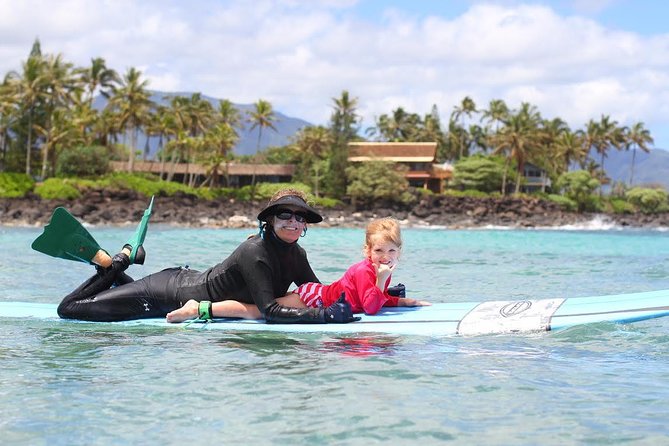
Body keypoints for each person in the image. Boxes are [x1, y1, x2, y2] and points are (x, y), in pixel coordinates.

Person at [57, 189, 358, 324]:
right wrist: (324, 316)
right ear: (270, 220)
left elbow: (317, 293)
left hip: (184, 279)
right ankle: (119, 260)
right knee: (69, 309)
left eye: (300, 217)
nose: (293, 222)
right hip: (164, 294)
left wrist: (375, 292)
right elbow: (268, 311)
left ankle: (116, 267)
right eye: (285, 214)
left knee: (117, 294)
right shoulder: (254, 251)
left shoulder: (297, 253)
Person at [166, 217, 429, 322]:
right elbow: (371, 306)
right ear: (367, 251)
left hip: (323, 295)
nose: (385, 257)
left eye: (391, 251)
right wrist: (383, 283)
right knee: (258, 311)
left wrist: (405, 301)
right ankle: (198, 308)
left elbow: (372, 299)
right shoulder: (365, 270)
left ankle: (202, 307)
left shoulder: (382, 269)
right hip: (314, 297)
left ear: (399, 252)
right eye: (379, 251)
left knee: (257, 310)